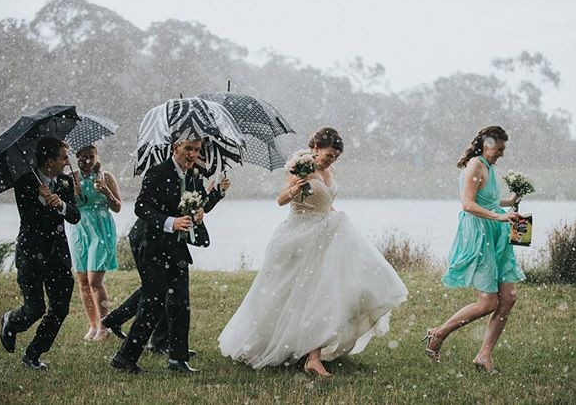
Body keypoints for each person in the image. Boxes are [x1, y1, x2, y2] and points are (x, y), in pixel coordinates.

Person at [218, 127, 408, 377]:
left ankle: (313, 356)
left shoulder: (330, 170)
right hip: (298, 236)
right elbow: (281, 200)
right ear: (316, 148)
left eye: (335, 157)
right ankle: (280, 345)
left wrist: (335, 218)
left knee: (324, 293)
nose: (331, 160)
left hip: (326, 234)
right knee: (287, 295)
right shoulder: (300, 164)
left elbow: (326, 202)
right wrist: (295, 189)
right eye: (329, 155)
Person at [110, 137, 220, 374]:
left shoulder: (193, 176)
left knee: (181, 301)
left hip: (177, 247)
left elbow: (198, 205)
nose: (192, 154)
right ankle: (125, 357)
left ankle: (177, 360)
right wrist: (171, 222)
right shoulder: (157, 172)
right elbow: (141, 207)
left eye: (197, 150)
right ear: (175, 148)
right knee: (153, 301)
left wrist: (201, 210)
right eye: (188, 149)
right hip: (150, 243)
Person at [424, 126, 523, 373]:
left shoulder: (488, 167)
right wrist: (499, 218)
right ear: (487, 144)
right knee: (488, 302)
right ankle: (438, 333)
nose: (501, 154)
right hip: (479, 233)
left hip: (497, 233)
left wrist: (509, 202)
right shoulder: (475, 165)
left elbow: (485, 199)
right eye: (499, 149)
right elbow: (467, 204)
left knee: (508, 298)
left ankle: (484, 355)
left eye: (503, 150)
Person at [100, 174, 230, 348]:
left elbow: (200, 207)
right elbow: (169, 207)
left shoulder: (195, 177)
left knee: (163, 288)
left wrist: (217, 192)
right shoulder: (173, 174)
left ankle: (128, 326)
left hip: (167, 239)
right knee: (157, 289)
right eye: (201, 155)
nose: (204, 161)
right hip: (147, 236)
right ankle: (145, 341)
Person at [0, 137, 81, 370]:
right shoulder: (25, 182)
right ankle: (10, 322)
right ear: (48, 160)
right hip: (31, 253)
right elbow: (29, 219)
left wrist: (62, 205)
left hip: (58, 256)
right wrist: (42, 200)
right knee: (35, 309)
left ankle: (33, 354)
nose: (67, 162)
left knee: (60, 308)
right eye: (63, 158)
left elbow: (75, 217)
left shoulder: (65, 181)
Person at [68, 145, 122, 342]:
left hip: (101, 229)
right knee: (82, 282)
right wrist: (70, 196)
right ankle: (92, 324)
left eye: (91, 157)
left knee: (95, 281)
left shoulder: (105, 176)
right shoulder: (70, 178)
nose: (87, 161)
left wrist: (107, 193)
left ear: (97, 156)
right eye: (83, 157)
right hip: (78, 230)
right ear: (77, 158)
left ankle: (104, 326)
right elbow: (64, 209)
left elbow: (117, 207)